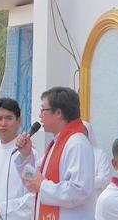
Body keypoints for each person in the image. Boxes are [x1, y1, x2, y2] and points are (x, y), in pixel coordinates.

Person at [14, 87, 94, 219]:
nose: (40, 116)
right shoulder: (56, 144)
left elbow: (80, 191)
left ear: (58, 113)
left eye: (43, 110)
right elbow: (33, 181)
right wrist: (25, 155)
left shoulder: (77, 144)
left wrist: (43, 185)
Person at [81, 121, 115, 205]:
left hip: (93, 201)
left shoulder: (99, 154)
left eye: (82, 131)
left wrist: (82, 183)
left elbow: (104, 179)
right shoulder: (70, 152)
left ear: (88, 133)